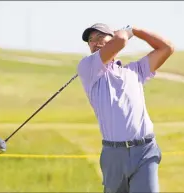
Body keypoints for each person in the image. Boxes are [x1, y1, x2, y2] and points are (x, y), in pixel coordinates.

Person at [77, 23, 174, 193]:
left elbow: (167, 48)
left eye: (100, 37)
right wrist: (126, 33)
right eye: (91, 41)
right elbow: (121, 40)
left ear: (111, 37)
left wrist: (136, 31)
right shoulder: (87, 67)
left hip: (145, 150)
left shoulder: (135, 71)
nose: (94, 42)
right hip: (113, 154)